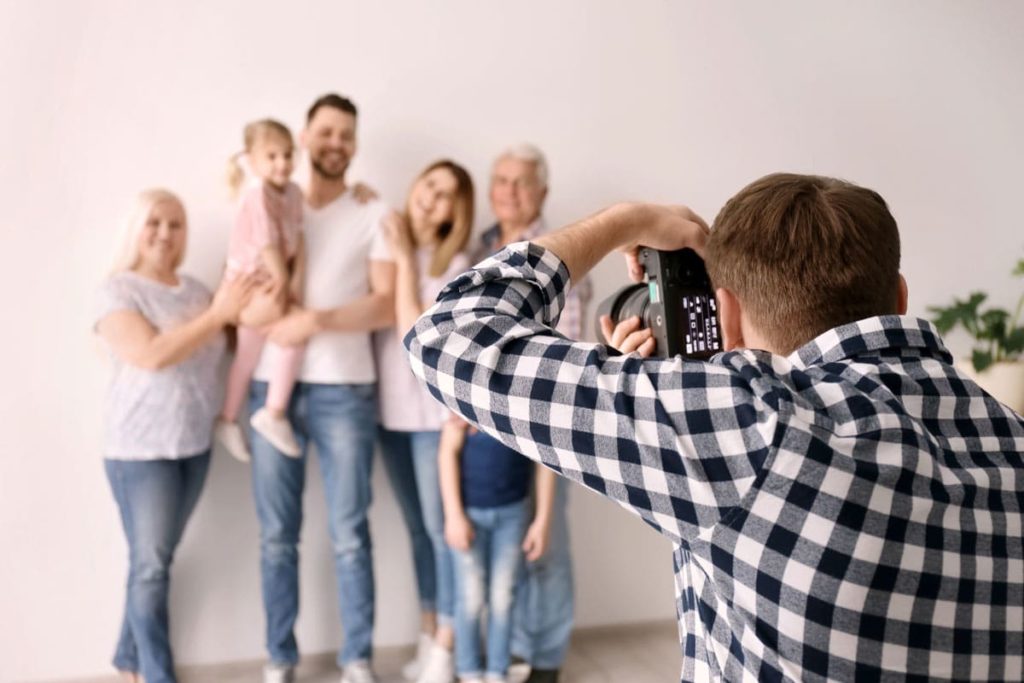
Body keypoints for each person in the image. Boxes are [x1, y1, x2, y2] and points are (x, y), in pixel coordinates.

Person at [406, 173, 1024, 682]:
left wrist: (623, 219)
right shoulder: (1007, 432)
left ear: (724, 312)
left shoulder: (748, 427)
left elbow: (446, 336)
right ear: (899, 295)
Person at [250, 93, 396, 683]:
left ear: (354, 147)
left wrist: (317, 320)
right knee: (276, 537)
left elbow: (385, 305)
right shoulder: (270, 204)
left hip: (345, 391)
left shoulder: (372, 211)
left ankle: (357, 659)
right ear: (305, 137)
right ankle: (279, 660)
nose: (337, 143)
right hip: (270, 392)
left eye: (347, 135)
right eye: (326, 132)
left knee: (349, 535)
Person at [94, 189, 254, 683]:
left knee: (153, 561)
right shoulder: (118, 291)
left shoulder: (197, 289)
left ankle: (127, 661)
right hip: (141, 451)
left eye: (176, 224)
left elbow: (233, 336)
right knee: (151, 566)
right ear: (136, 230)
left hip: (194, 445)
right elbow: (152, 354)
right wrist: (217, 314)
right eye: (155, 223)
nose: (165, 233)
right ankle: (156, 675)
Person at [475, 144, 590, 683]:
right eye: (501, 179)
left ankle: (544, 661)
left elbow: (562, 352)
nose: (509, 191)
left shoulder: (560, 255)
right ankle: (514, 651)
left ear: (541, 191)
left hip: (541, 423)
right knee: (504, 551)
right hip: (483, 430)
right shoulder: (476, 250)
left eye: (521, 182)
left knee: (545, 545)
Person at [372, 159, 475, 683]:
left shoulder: (453, 263)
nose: (433, 200)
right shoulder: (388, 245)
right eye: (430, 186)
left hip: (433, 419)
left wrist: (405, 262)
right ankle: (428, 629)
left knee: (442, 533)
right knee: (418, 531)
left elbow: (410, 329)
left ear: (457, 214)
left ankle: (447, 647)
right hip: (389, 414)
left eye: (447, 197)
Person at [439, 418, 557, 683]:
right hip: (468, 515)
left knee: (503, 597)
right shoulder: (463, 403)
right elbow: (447, 451)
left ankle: (497, 673)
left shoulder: (523, 411)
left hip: (513, 515)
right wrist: (453, 514)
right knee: (469, 597)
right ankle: (468, 672)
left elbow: (545, 463)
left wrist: (542, 522)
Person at [216, 119, 306, 462]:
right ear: (252, 161)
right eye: (272, 156)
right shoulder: (255, 195)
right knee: (293, 333)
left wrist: (293, 278)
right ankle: (273, 412)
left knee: (248, 356)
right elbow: (267, 243)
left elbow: (297, 236)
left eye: (287, 155)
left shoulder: (294, 193)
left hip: (269, 279)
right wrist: (283, 282)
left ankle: (229, 418)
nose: (282, 163)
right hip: (249, 282)